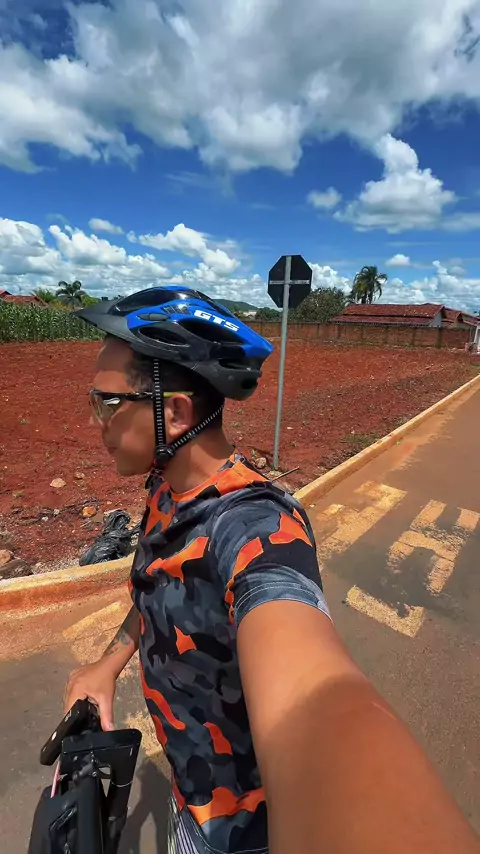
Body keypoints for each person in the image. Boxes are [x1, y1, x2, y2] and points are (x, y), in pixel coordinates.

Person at [65, 286, 479, 854]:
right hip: (190, 792)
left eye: (107, 402)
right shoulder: (168, 488)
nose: (96, 421)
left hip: (235, 835)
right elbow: (158, 582)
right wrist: (107, 665)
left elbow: (317, 691)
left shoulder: (255, 526)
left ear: (175, 412)